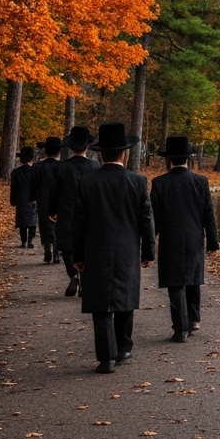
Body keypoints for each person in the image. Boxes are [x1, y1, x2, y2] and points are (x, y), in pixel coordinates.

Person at [70, 122, 154, 374]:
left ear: (99, 153)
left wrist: (78, 255)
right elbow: (146, 220)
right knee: (125, 298)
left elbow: (79, 223)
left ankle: (106, 357)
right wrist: (149, 251)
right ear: (124, 152)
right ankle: (124, 347)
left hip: (96, 249)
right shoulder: (138, 182)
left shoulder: (86, 183)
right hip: (127, 248)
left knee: (100, 303)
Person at [150, 136, 218, 343]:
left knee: (175, 283)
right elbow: (208, 213)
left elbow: (154, 216)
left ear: (169, 159)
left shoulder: (159, 183)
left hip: (171, 238)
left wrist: (148, 244)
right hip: (194, 236)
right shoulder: (200, 181)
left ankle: (180, 327)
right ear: (188, 158)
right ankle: (194, 318)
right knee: (193, 277)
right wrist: (213, 240)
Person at [49, 126, 98, 297]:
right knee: (87, 245)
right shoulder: (96, 167)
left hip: (67, 211)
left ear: (70, 147)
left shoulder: (61, 168)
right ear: (88, 147)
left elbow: (53, 191)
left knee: (67, 247)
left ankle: (72, 275)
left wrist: (52, 210)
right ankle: (84, 280)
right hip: (90, 214)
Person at [30, 136, 62, 264]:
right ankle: (56, 252)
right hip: (59, 200)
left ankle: (47, 249)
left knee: (44, 226)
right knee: (57, 226)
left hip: (43, 199)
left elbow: (33, 184)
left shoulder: (38, 167)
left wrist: (32, 198)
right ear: (59, 151)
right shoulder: (63, 166)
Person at [10, 146, 38, 249]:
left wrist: (13, 200)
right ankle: (30, 240)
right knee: (32, 221)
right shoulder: (35, 171)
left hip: (21, 199)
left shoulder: (16, 172)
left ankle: (23, 241)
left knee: (22, 222)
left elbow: (13, 188)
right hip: (32, 198)